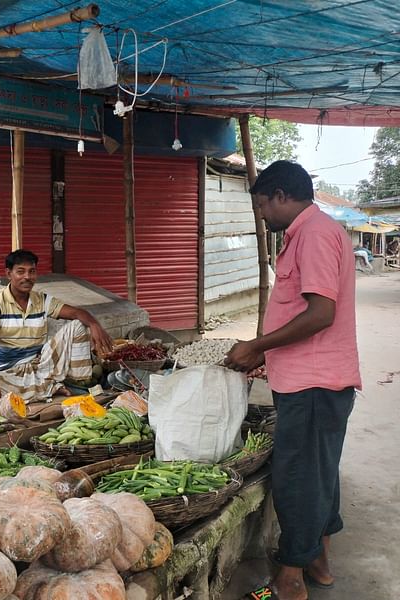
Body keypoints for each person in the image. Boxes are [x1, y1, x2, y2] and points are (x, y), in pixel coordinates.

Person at [224, 161, 360, 600]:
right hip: (311, 378)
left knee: (297, 477)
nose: (262, 214)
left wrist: (258, 346)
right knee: (319, 474)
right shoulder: (308, 232)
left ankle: (289, 579)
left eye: (263, 204)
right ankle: (317, 562)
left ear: (281, 195)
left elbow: (321, 313)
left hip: (314, 385)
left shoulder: (315, 234)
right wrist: (271, 353)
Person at [0, 249, 114, 407]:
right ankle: (50, 388)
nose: (27, 277)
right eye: (20, 272)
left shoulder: (41, 299)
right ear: (9, 274)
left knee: (78, 326)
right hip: (9, 372)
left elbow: (77, 312)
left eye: (32, 271)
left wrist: (94, 324)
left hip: (40, 365)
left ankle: (80, 383)